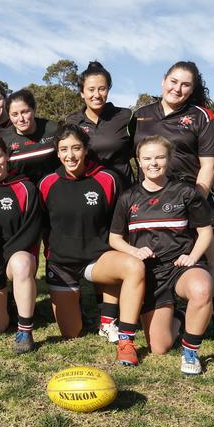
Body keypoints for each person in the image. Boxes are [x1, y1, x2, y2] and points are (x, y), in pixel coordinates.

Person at [131, 61, 214, 348]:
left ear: (192, 89)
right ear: (163, 80)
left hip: (191, 200)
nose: (178, 88)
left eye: (185, 84)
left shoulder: (202, 116)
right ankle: (148, 309)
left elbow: (208, 166)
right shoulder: (140, 115)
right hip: (151, 204)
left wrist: (193, 202)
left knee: (205, 260)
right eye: (173, 81)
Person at [39, 124, 145, 366]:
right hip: (62, 265)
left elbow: (121, 225)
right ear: (57, 152)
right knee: (71, 332)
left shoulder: (107, 179)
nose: (70, 155)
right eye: (64, 149)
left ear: (86, 150)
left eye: (76, 148)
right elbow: (43, 225)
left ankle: (124, 337)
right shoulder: (46, 183)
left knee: (133, 267)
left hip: (97, 259)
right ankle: (84, 313)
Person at [110, 135, 213, 375]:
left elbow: (205, 232)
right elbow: (114, 239)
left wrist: (193, 256)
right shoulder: (128, 198)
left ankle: (190, 351)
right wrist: (134, 251)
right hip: (149, 275)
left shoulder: (185, 192)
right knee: (159, 346)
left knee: (201, 289)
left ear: (169, 159)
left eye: (159, 157)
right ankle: (179, 314)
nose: (153, 163)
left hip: (180, 267)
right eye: (147, 158)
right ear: (139, 161)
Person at [0, 136, 42, 353]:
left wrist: (3, 259)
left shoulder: (25, 187)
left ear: (6, 155)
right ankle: (7, 304)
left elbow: (31, 231)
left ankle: (25, 330)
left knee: (21, 263)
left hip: (15, 259)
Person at [66, 61, 134, 186]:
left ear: (108, 89)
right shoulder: (73, 121)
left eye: (102, 89)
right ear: (82, 93)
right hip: (88, 190)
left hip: (124, 191)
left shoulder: (125, 116)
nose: (97, 95)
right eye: (91, 90)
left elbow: (139, 152)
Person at [5, 89, 59, 183]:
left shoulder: (54, 129)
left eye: (25, 112)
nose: (21, 119)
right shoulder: (4, 140)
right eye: (14, 114)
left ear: (34, 109)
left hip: (54, 190)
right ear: (9, 115)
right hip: (24, 194)